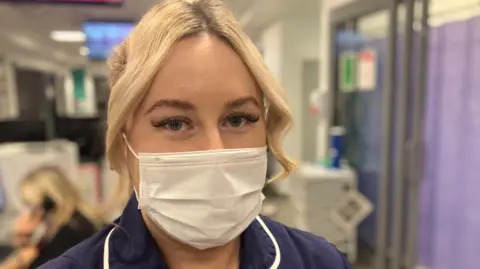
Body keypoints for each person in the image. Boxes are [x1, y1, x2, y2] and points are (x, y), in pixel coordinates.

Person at [39, 0, 352, 268]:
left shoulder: (320, 261)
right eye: (175, 123)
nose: (214, 151)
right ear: (124, 141)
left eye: (239, 119)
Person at [0, 166, 101, 269]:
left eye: (32, 205)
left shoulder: (69, 235)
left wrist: (20, 260)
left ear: (49, 204)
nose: (31, 212)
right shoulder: (74, 223)